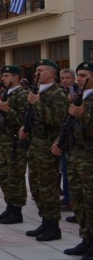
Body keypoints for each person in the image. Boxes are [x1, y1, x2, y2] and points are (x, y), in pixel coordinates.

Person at [20, 59, 67, 241]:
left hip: (48, 147)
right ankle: (45, 220)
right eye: (36, 70)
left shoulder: (58, 94)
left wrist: (37, 103)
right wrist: (24, 128)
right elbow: (31, 117)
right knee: (36, 185)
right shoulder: (36, 91)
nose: (36, 73)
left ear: (51, 73)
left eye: (40, 70)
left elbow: (56, 120)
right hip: (34, 145)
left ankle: (53, 226)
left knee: (48, 187)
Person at [58, 62, 93, 260]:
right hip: (75, 156)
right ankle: (86, 237)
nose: (79, 79)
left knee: (90, 201)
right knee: (78, 200)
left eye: (83, 75)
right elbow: (68, 125)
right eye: (78, 75)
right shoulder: (78, 98)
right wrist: (59, 142)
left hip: (89, 158)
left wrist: (84, 115)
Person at [0, 66, 28, 225]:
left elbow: (24, 121)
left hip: (15, 144)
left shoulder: (22, 95)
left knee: (15, 177)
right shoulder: (4, 93)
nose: (3, 78)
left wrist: (8, 109)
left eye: (6, 76)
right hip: (3, 142)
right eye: (2, 76)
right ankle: (9, 207)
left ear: (16, 78)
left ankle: (17, 210)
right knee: (4, 177)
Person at [59, 68, 77, 211]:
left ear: (73, 78)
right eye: (63, 78)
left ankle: (72, 199)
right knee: (64, 169)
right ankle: (66, 197)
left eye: (68, 78)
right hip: (62, 136)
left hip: (75, 138)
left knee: (72, 170)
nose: (65, 80)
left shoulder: (77, 92)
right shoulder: (60, 93)